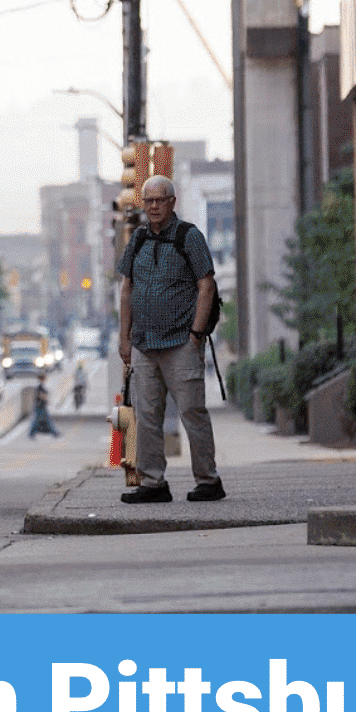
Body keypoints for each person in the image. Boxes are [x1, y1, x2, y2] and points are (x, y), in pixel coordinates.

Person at [116, 174, 223, 503]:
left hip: (181, 343)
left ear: (172, 202)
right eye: (148, 201)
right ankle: (153, 483)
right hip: (144, 344)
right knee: (147, 416)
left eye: (159, 200)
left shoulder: (188, 236)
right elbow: (126, 288)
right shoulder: (137, 239)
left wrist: (196, 333)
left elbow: (206, 284)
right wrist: (124, 339)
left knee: (192, 411)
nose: (153, 206)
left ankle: (208, 480)